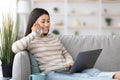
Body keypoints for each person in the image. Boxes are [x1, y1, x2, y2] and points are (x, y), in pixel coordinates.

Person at [12, 8, 120, 80]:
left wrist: (70, 61)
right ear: (34, 23)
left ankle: (114, 75)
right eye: (43, 21)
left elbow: (64, 52)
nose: (46, 24)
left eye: (48, 21)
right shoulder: (31, 40)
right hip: (51, 73)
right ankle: (113, 77)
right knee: (82, 78)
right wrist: (33, 33)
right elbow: (15, 48)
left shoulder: (54, 37)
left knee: (92, 71)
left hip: (66, 69)